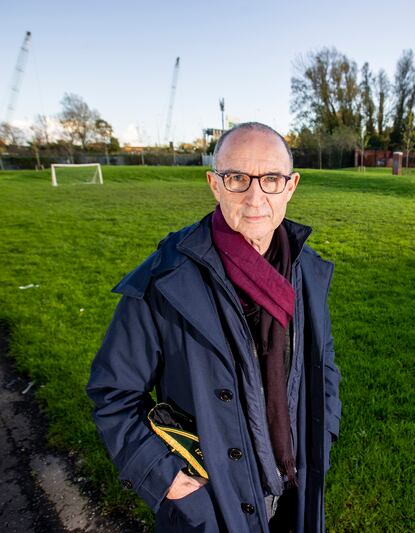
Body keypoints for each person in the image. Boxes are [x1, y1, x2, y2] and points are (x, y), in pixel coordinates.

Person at [87, 122, 341, 533]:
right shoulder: (165, 281)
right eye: (238, 178)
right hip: (214, 501)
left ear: (291, 186)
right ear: (214, 184)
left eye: (271, 179)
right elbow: (113, 392)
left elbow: (324, 364)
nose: (256, 197)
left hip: (296, 486)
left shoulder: (306, 271)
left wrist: (323, 433)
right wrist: (162, 475)